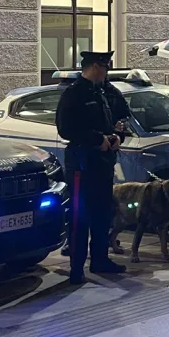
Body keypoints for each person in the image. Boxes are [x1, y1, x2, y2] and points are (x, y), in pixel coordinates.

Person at [56, 51, 129, 284]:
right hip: (82, 163)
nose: (106, 72)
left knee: (102, 214)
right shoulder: (74, 93)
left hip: (103, 164)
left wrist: (117, 137)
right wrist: (98, 140)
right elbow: (66, 129)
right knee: (80, 217)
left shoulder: (106, 92)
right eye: (105, 68)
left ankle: (100, 259)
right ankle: (76, 268)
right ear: (96, 67)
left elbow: (121, 120)